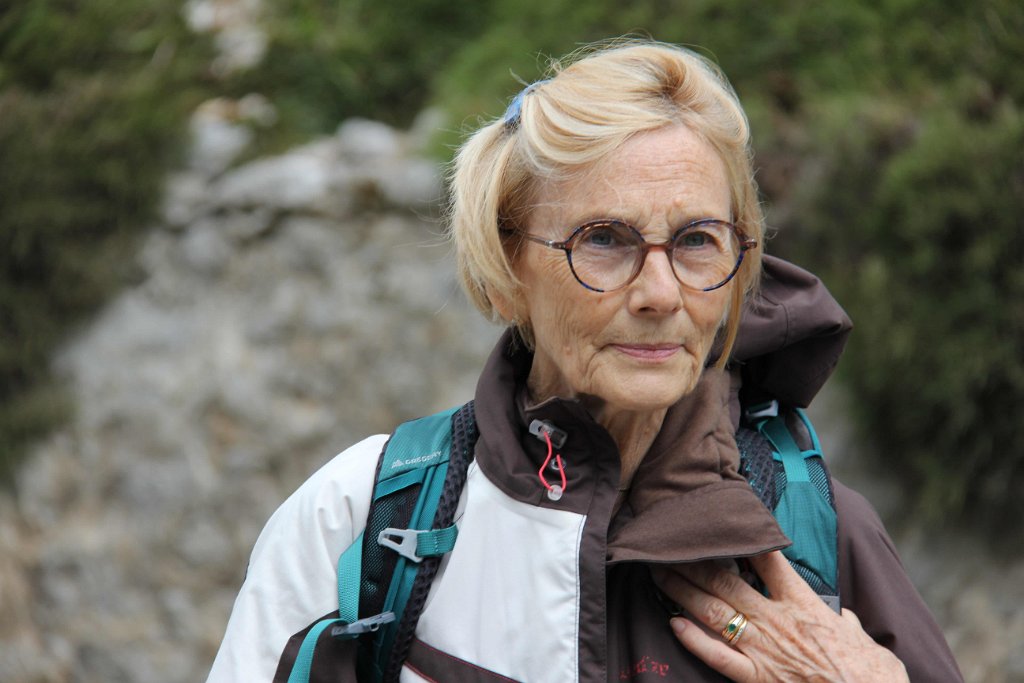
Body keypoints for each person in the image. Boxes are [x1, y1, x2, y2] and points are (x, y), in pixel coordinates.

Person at [207, 40, 963, 682]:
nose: (661, 293)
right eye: (604, 239)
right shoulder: (361, 517)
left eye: (698, 241)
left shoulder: (822, 532)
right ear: (508, 264)